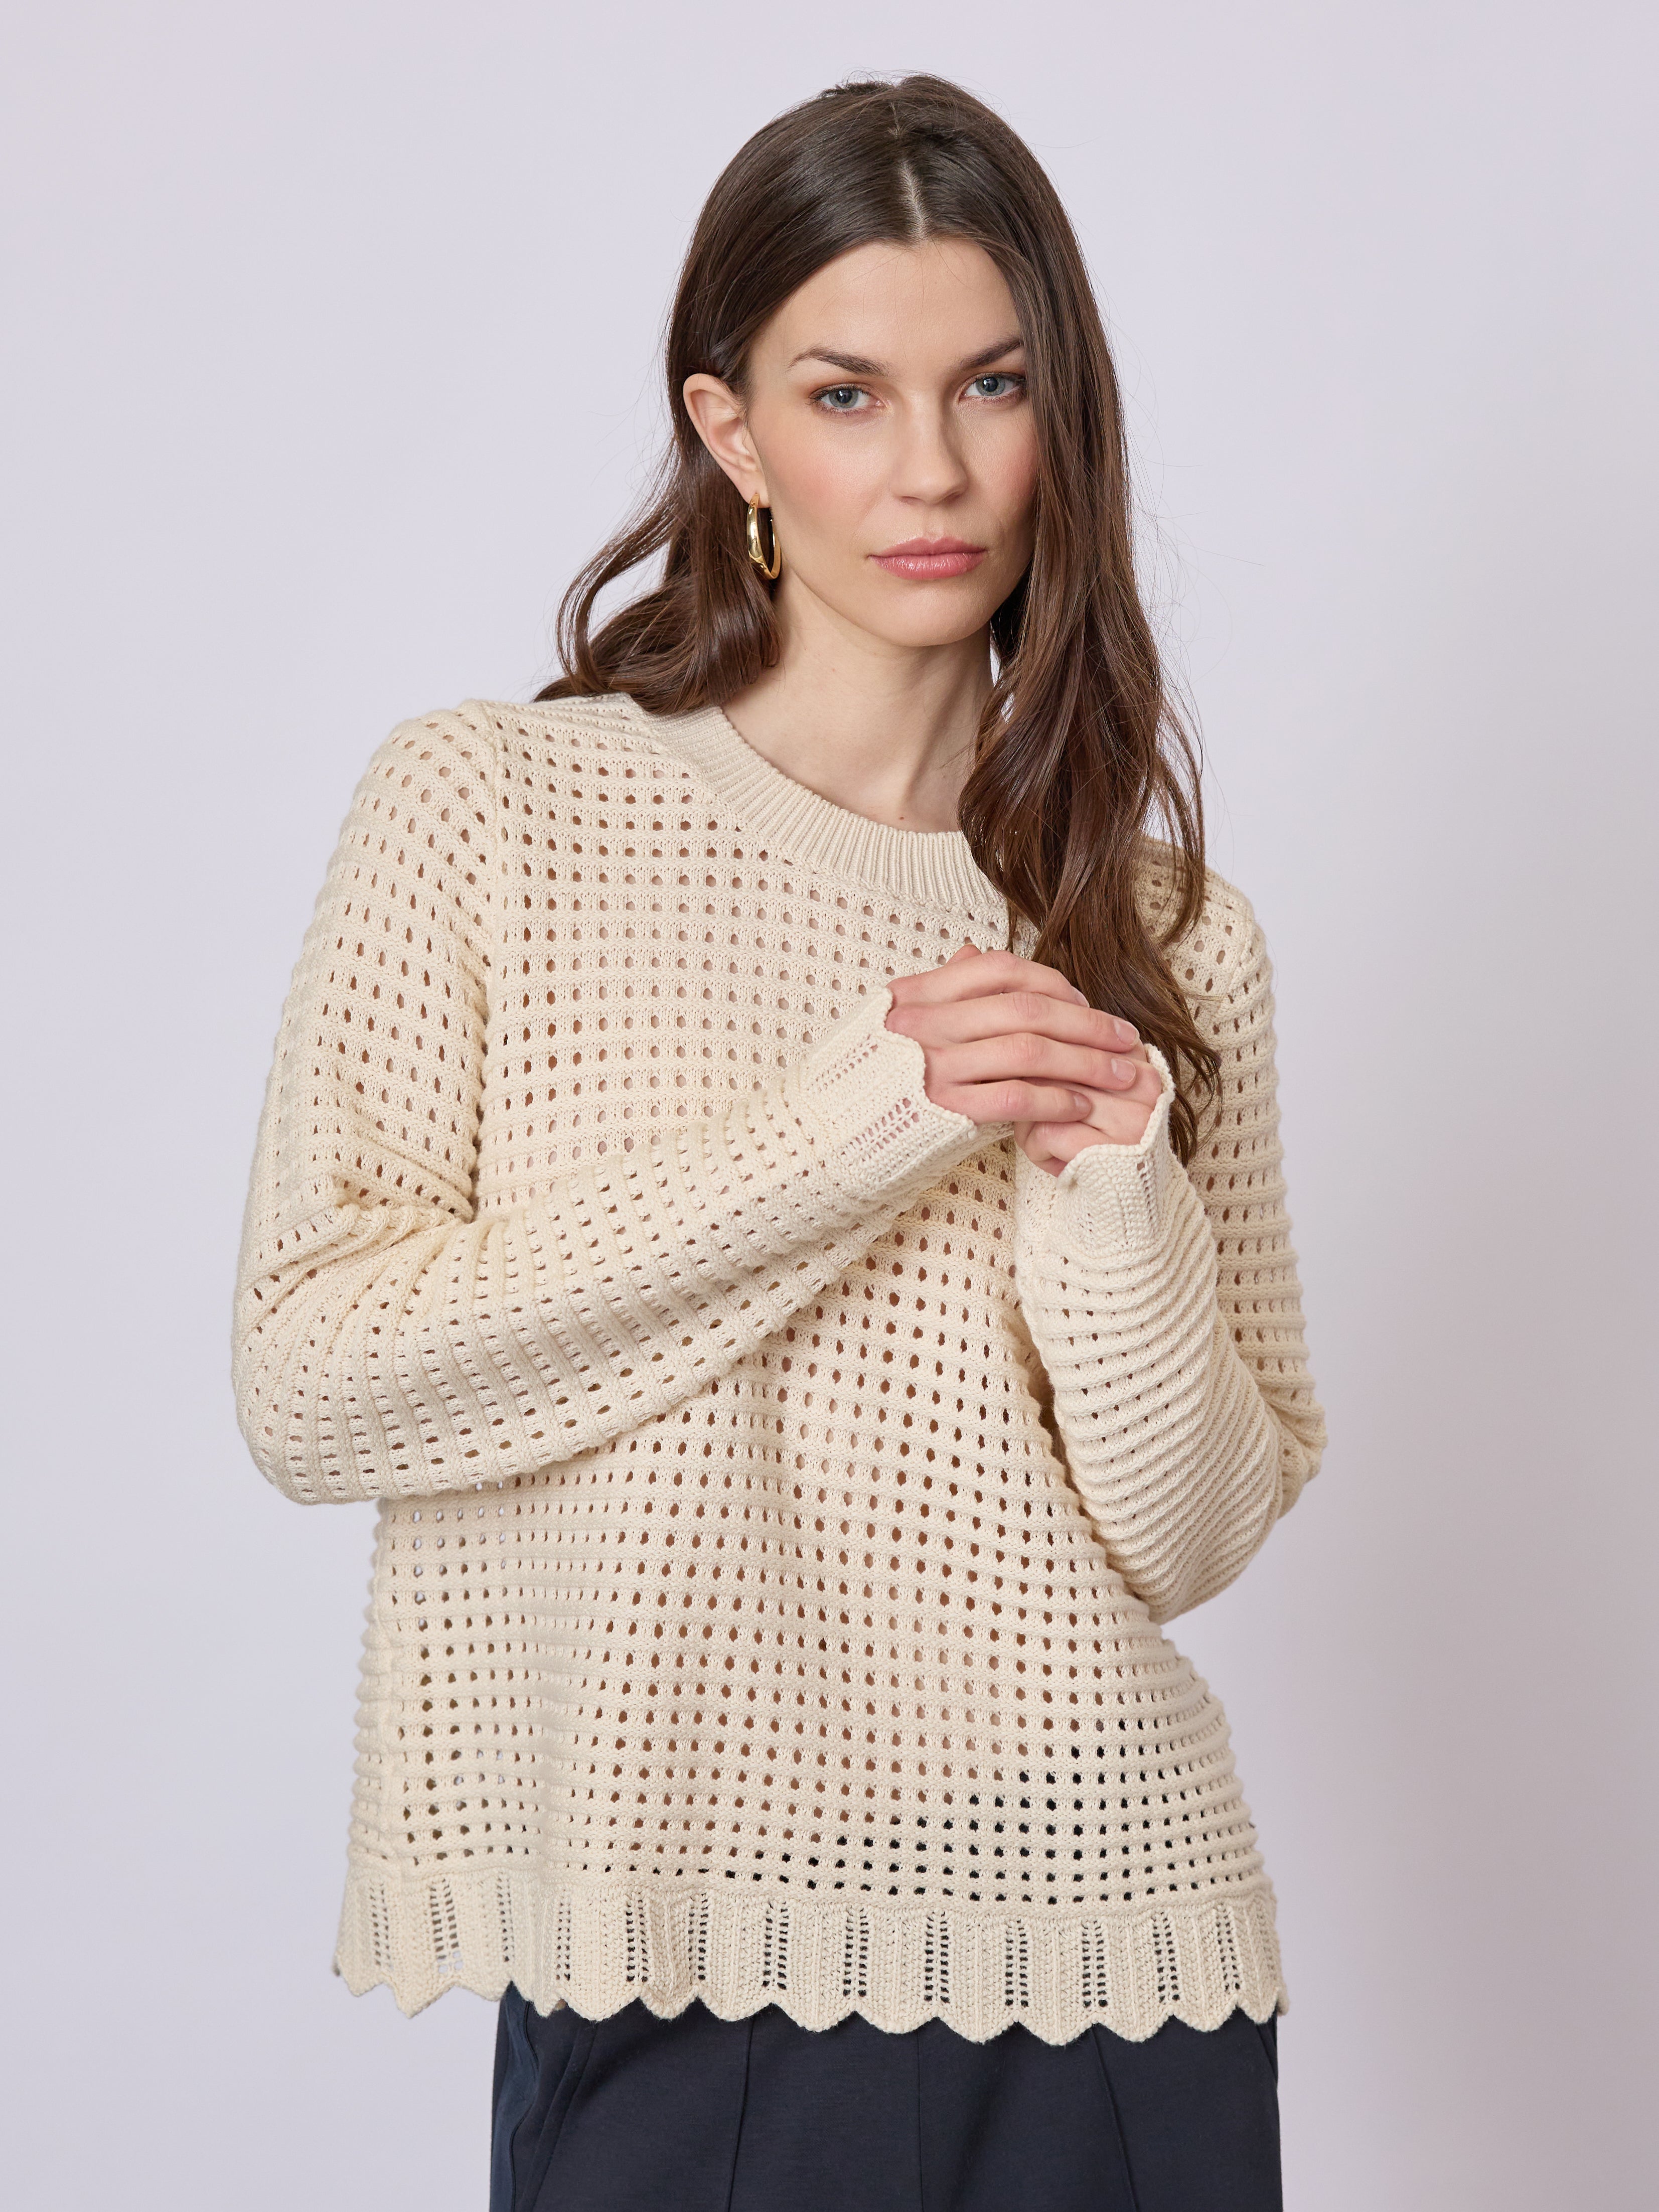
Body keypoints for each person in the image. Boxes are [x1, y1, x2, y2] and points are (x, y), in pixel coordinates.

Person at [233, 72, 1326, 2212]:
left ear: (1061, 415)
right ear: (728, 431)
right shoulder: (494, 810)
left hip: (1109, 1952)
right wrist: (854, 1123)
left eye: (992, 385)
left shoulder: (1166, 934)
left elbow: (1194, 1531)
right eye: (847, 394)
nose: (931, 469)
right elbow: (312, 1377)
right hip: (678, 1963)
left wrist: (1113, 1191)